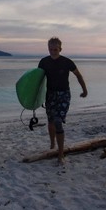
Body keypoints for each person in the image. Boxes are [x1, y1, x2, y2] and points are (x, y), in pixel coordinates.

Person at [38, 37, 88, 166]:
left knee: (58, 122)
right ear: (48, 48)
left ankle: (61, 155)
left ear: (60, 49)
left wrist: (84, 90)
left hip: (63, 95)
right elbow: (38, 80)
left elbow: (78, 75)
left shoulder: (67, 62)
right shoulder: (44, 62)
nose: (53, 51)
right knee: (50, 121)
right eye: (51, 49)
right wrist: (34, 97)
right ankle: (52, 143)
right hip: (50, 95)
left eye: (55, 49)